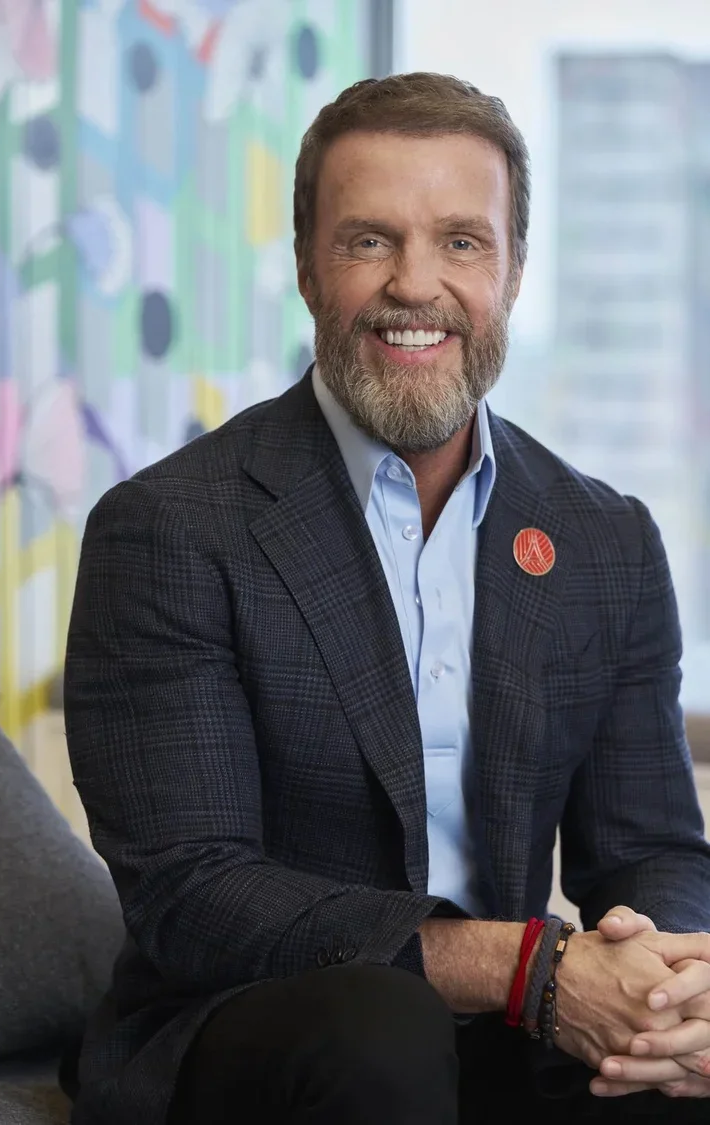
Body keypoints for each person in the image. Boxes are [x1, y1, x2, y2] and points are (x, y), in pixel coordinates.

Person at [63, 73, 710, 1125]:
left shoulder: (605, 539)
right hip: (254, 1026)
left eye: (462, 241)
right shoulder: (171, 529)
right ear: (310, 269)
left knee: (670, 1065)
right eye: (370, 241)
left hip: (516, 1027)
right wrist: (525, 969)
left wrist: (670, 986)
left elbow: (649, 849)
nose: (417, 284)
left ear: (512, 269)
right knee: (384, 1029)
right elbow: (196, 893)